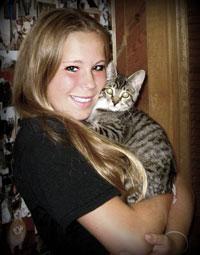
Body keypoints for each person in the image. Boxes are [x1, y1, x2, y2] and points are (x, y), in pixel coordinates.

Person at [12, 8, 194, 255]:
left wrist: (176, 238)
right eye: (72, 68)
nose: (90, 84)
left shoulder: (83, 122)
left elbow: (180, 180)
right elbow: (135, 242)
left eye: (97, 67)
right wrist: (163, 187)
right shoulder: (44, 141)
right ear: (39, 69)